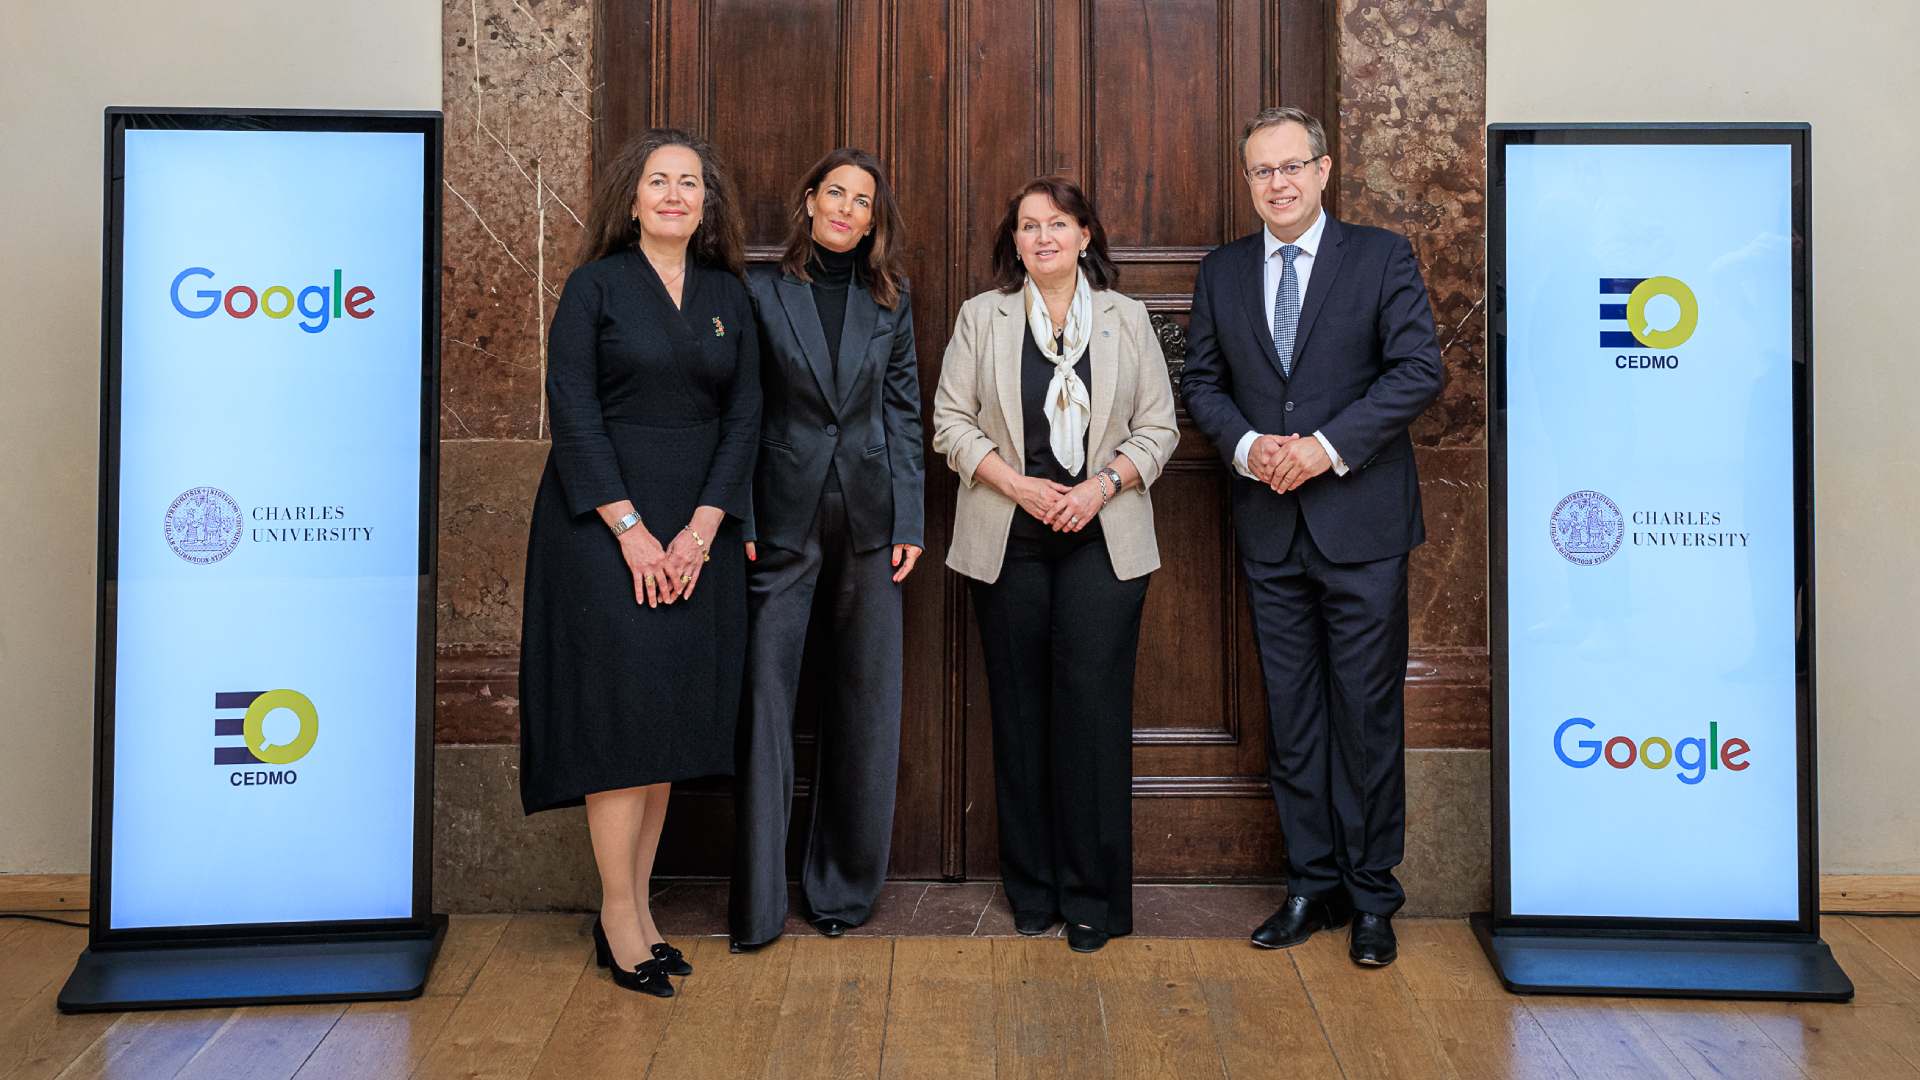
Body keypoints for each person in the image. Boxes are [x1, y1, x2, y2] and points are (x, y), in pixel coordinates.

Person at [1180, 106, 1444, 967]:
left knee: (1365, 717)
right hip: (1269, 525)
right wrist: (1254, 449)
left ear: (1325, 171)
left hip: (1361, 524)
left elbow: (1418, 370)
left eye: (1294, 166)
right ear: (1248, 181)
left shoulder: (1379, 256)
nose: (1280, 183)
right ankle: (1312, 884)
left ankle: (1373, 897)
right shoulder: (1222, 273)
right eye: (1264, 171)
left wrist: (1324, 450)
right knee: (1293, 719)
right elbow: (1205, 383)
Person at [518, 128, 760, 997]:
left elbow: (746, 422)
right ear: (631, 200)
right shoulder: (594, 287)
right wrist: (632, 533)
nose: (673, 194)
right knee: (619, 728)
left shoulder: (730, 292)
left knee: (664, 724)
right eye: (658, 181)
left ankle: (641, 909)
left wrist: (697, 533)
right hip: (600, 536)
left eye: (689, 183)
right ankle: (617, 915)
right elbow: (573, 412)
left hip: (697, 540)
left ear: (706, 204)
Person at [931, 176, 1179, 953]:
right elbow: (949, 422)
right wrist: (1021, 485)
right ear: (1014, 241)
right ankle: (1030, 891)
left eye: (1058, 224)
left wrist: (1099, 487)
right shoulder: (983, 317)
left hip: (1105, 537)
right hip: (1010, 534)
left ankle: (1093, 898)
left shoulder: (1127, 319)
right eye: (1028, 225)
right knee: (1020, 716)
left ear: (1085, 237)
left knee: (1092, 717)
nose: (1042, 237)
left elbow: (1160, 428)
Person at [729, 148, 925, 950]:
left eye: (863, 201)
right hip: (780, 521)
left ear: (874, 219)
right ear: (808, 201)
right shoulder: (761, 291)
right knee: (766, 710)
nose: (847, 209)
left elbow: (904, 410)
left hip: (874, 526)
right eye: (835, 194)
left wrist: (911, 517)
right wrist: (739, 518)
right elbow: (740, 411)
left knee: (865, 707)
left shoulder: (892, 298)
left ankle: (843, 891)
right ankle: (758, 905)